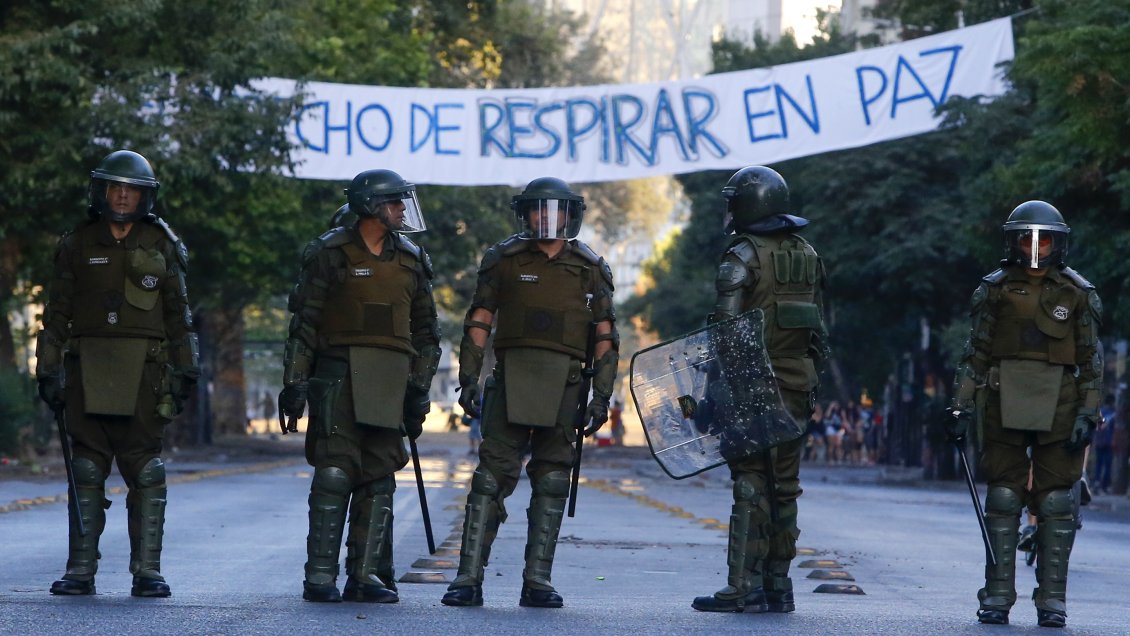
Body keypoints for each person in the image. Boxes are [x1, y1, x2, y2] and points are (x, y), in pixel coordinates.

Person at [441, 177, 618, 609]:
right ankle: (467, 578)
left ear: (569, 216)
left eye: (554, 210)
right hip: (510, 380)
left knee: (553, 481)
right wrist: (467, 378)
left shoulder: (591, 266)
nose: (546, 218)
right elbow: (479, 319)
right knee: (489, 479)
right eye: (538, 209)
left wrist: (602, 396)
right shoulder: (502, 259)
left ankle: (537, 580)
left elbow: (606, 335)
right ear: (526, 213)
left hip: (567, 386)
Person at [35, 150, 199, 597]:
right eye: (115, 187)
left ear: (144, 196)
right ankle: (80, 571)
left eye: (131, 190)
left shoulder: (163, 244)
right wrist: (47, 368)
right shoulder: (77, 244)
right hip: (86, 369)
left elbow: (179, 316)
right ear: (102, 191)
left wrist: (186, 369)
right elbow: (56, 314)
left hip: (146, 373)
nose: (122, 196)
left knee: (145, 469)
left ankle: (147, 571)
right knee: (86, 468)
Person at [279, 169, 441, 603]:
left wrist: (419, 388)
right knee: (334, 472)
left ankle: (365, 576)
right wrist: (294, 383)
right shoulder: (329, 253)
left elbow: (427, 334)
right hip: (337, 377)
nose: (402, 209)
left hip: (390, 379)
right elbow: (305, 323)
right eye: (394, 202)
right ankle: (319, 577)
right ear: (371, 205)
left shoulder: (411, 259)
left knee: (380, 476)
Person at [947, 201, 1102, 628]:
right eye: (1027, 239)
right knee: (1003, 496)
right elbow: (974, 354)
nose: (1035, 248)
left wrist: (1088, 413)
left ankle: (1052, 601)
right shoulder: (994, 290)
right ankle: (997, 595)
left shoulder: (1078, 293)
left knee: (1056, 502)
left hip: (1061, 404)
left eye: (1044, 239)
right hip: (1001, 401)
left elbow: (1091, 363)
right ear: (1013, 242)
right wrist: (959, 406)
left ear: (1059, 244)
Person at [691, 166, 830, 614]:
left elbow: (726, 332)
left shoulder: (742, 256)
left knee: (751, 481)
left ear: (747, 205)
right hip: (797, 384)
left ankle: (741, 586)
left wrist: (715, 392)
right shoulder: (808, 254)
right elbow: (818, 332)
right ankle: (778, 585)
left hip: (751, 382)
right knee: (784, 487)